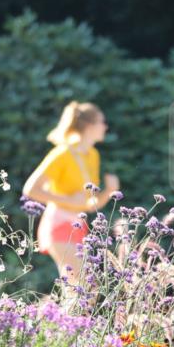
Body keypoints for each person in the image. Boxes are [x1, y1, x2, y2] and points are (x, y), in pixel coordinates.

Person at [22, 102, 120, 284]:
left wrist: (109, 192)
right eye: (102, 122)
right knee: (82, 287)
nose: (105, 127)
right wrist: (66, 199)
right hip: (58, 224)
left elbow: (91, 205)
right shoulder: (62, 154)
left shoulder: (93, 155)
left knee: (80, 289)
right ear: (90, 126)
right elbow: (30, 189)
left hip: (78, 226)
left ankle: (52, 314)